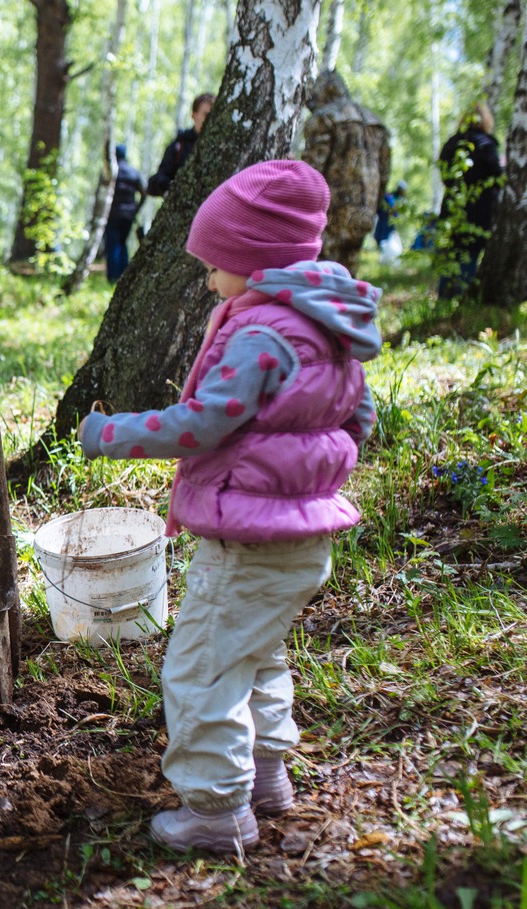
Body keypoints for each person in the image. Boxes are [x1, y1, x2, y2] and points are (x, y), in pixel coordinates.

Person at [77, 160, 380, 855]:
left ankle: (216, 811)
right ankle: (266, 778)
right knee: (256, 653)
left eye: (215, 266)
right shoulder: (327, 324)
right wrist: (304, 480)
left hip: (248, 539)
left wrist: (109, 434)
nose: (210, 279)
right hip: (303, 532)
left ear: (253, 261)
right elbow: (358, 417)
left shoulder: (259, 336)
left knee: (202, 668)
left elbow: (204, 424)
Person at [300, 70, 391, 272]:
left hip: (331, 212)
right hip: (364, 211)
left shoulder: (324, 118)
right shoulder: (375, 122)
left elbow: (310, 172)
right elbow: (384, 173)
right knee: (348, 273)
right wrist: (374, 206)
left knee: (320, 273)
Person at [437, 102, 503, 299]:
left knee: (452, 254)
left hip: (453, 209)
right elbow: (498, 176)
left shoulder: (452, 143)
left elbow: (445, 175)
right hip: (480, 211)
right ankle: (460, 298)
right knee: (470, 253)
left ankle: (445, 297)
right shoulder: (487, 144)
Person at [147, 93, 214, 198]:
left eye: (213, 115)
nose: (210, 119)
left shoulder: (222, 146)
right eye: (206, 114)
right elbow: (161, 177)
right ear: (194, 115)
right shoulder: (179, 146)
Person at [105, 145, 145, 282]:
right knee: (122, 244)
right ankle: (123, 277)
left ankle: (113, 277)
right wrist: (136, 209)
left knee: (113, 245)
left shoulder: (111, 172)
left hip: (112, 215)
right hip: (128, 216)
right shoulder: (133, 172)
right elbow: (144, 192)